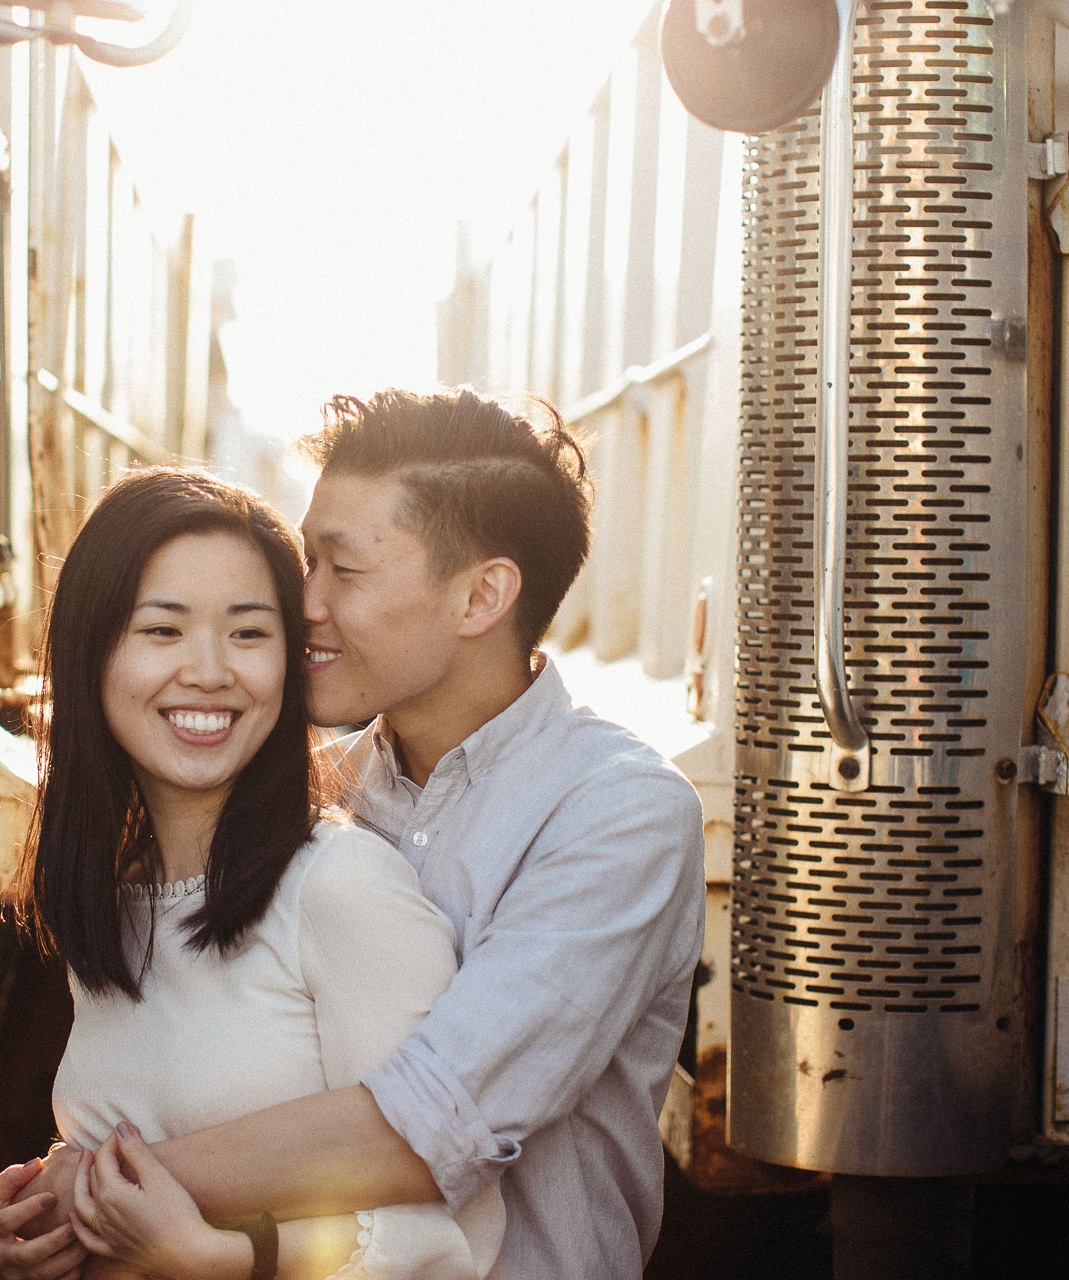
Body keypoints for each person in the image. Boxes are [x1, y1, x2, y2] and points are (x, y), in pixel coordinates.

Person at [71, 389, 706, 1280]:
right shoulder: (315, 791)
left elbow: (433, 1125)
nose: (304, 605)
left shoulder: (617, 813)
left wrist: (82, 1194)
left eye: (344, 571)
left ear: (482, 593)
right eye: (305, 562)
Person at [0, 467, 502, 1280]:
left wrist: (233, 1259)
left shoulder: (341, 890)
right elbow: (131, 1146)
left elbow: (454, 1236)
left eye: (248, 633)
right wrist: (6, 1233)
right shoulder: (116, 895)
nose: (210, 671)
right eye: (163, 631)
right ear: (90, 651)